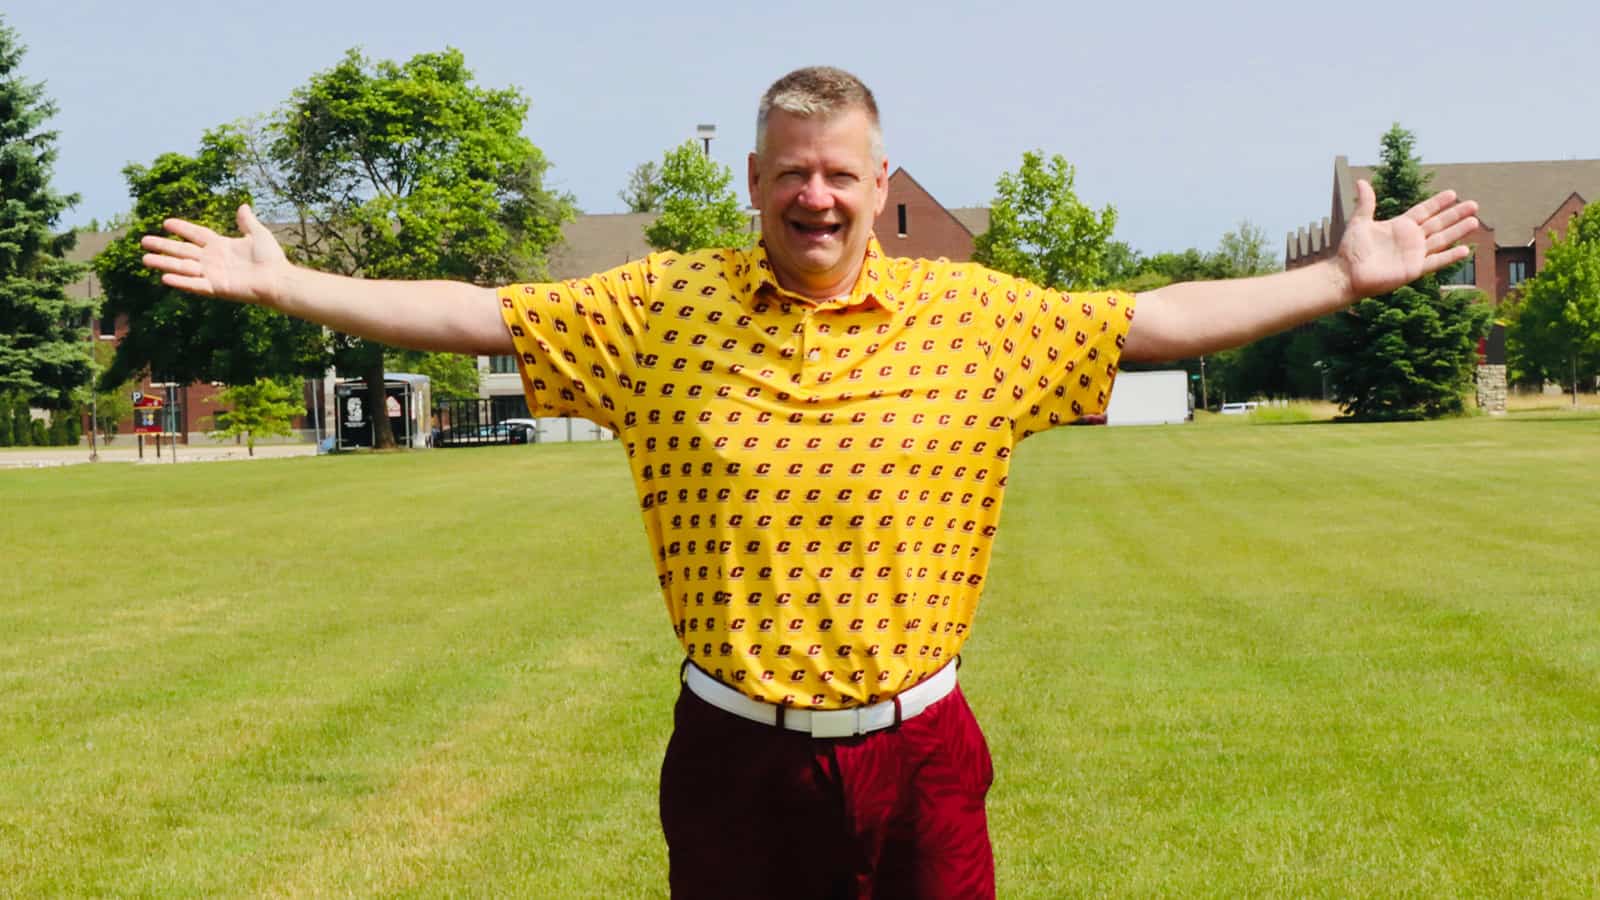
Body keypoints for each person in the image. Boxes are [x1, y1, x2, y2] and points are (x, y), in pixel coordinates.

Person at [141, 66, 1478, 899]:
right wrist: (287, 281)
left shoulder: (977, 318)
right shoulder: (659, 310)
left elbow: (1152, 320)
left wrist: (1339, 279)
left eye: (842, 173)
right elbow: (474, 313)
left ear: (882, 182)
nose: (818, 198)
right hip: (735, 756)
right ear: (753, 183)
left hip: (923, 751)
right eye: (793, 174)